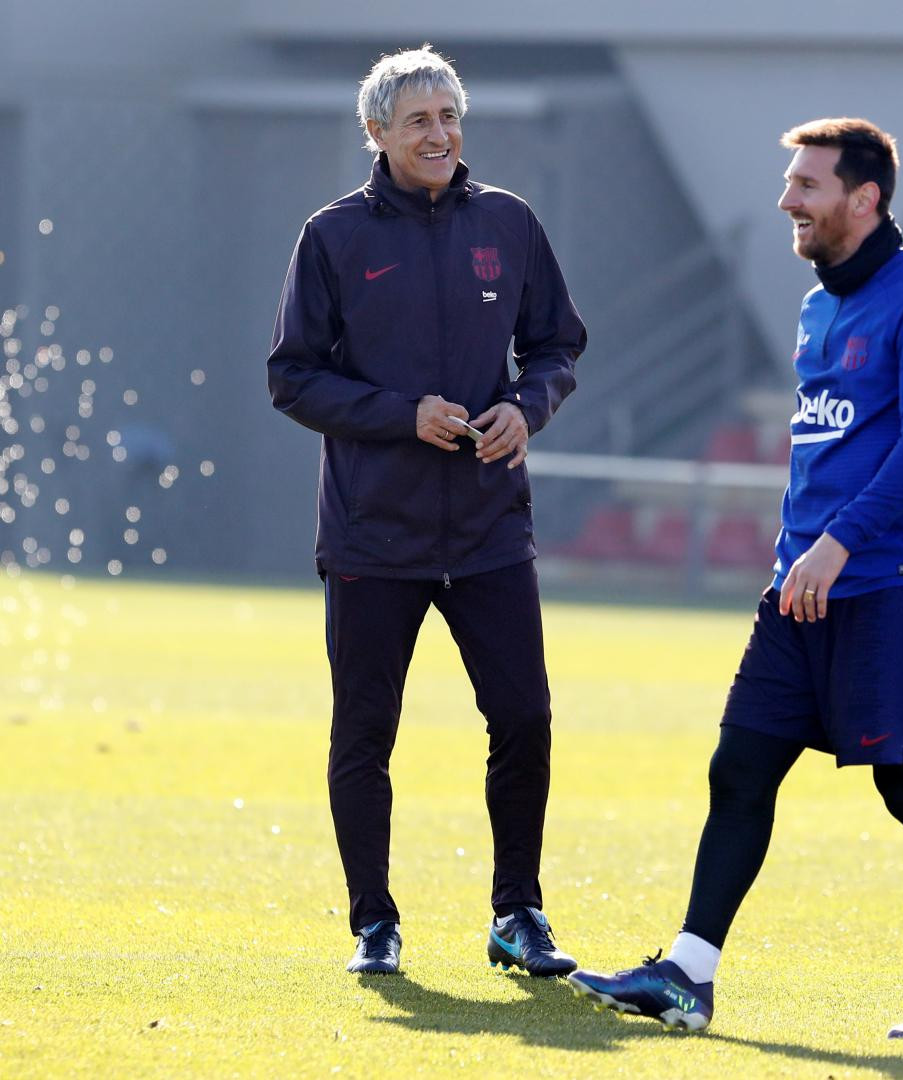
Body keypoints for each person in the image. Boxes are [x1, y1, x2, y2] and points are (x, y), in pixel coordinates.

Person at [566, 118, 903, 1039]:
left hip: (892, 584)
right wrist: (805, 551)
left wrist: (836, 542)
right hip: (800, 590)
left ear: (863, 199)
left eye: (806, 185)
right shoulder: (814, 305)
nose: (787, 200)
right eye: (791, 182)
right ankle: (688, 974)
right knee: (740, 766)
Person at [266, 45, 586, 977]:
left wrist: (525, 410)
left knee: (523, 718)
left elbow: (557, 344)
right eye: (418, 120)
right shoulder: (332, 238)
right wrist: (400, 417)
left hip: (490, 529)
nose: (440, 133)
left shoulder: (510, 224)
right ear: (376, 133)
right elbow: (291, 379)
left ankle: (517, 916)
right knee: (365, 735)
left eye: (450, 115)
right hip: (374, 532)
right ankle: (374, 924)